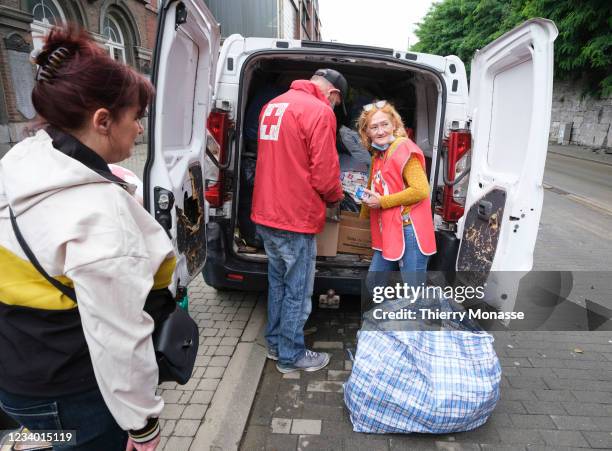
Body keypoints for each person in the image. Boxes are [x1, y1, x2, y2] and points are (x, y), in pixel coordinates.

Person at [0, 25, 173, 450]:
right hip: (71, 399)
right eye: (136, 117)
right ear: (102, 120)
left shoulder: (20, 163)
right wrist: (142, 425)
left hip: (16, 383)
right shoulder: (99, 211)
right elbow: (118, 335)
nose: (137, 129)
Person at [251, 68, 346, 373]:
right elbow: (325, 172)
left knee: (277, 283)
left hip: (266, 213)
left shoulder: (274, 105)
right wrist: (336, 198)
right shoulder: (320, 111)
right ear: (333, 95)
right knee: (298, 290)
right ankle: (291, 356)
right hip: (295, 218)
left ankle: (276, 346)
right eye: (336, 104)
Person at [358, 100, 437, 289]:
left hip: (410, 230)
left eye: (385, 124)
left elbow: (421, 190)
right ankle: (384, 318)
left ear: (394, 125)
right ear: (366, 132)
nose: (380, 131)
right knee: (374, 285)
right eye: (374, 127)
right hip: (391, 228)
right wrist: (365, 211)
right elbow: (376, 185)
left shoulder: (403, 148)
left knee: (414, 293)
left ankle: (421, 318)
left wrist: (382, 202)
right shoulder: (378, 154)